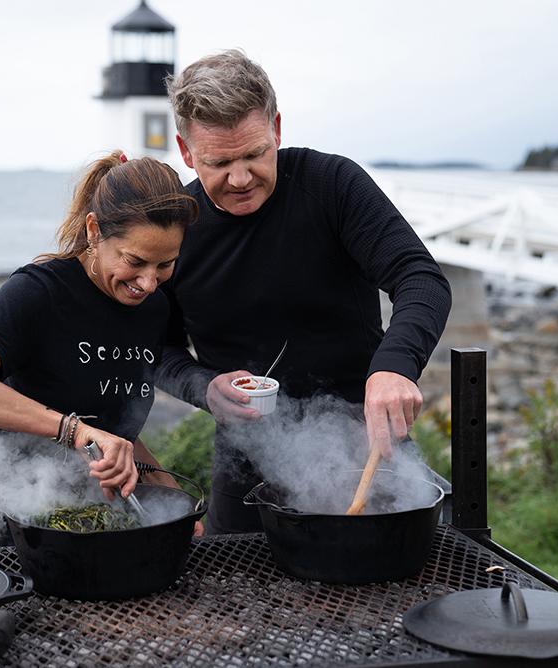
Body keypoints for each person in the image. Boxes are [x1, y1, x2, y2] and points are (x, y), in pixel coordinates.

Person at [157, 49, 453, 535]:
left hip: (365, 449)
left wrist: (393, 369)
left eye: (254, 153)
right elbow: (158, 350)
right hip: (243, 465)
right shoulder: (176, 225)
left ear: (276, 127)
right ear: (187, 152)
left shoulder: (332, 184)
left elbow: (419, 277)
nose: (240, 178)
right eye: (219, 162)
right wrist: (201, 387)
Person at [0, 151, 201, 547]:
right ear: (94, 230)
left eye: (165, 265)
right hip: (20, 530)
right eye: (134, 261)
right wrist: (76, 431)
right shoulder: (39, 293)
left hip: (108, 531)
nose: (148, 283)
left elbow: (117, 427)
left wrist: (170, 497)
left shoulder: (154, 309)